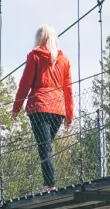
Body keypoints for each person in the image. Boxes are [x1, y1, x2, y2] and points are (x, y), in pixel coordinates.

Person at [11, 24, 74, 192]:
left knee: (44, 146)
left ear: (39, 38)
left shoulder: (35, 56)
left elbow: (25, 84)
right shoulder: (64, 60)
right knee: (47, 146)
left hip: (39, 107)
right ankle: (49, 183)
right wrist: (69, 114)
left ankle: (49, 184)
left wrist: (16, 108)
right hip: (58, 110)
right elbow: (68, 90)